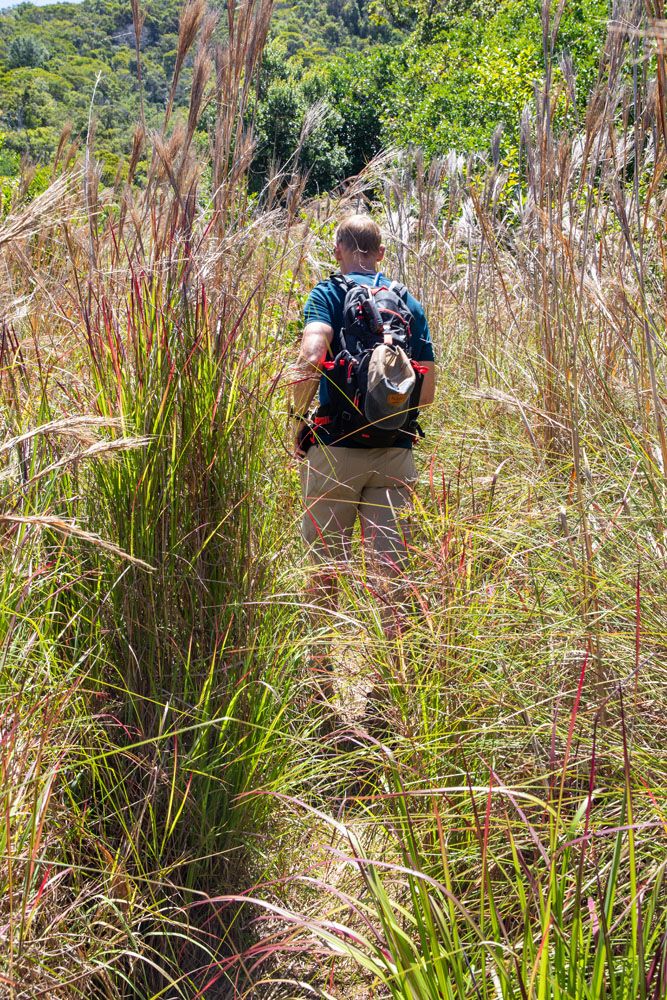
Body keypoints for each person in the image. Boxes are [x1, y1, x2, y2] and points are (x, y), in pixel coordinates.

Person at [289, 213, 436, 683]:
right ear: (381, 254)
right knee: (389, 576)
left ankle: (319, 682)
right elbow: (427, 391)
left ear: (337, 251)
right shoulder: (407, 301)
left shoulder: (328, 293)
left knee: (324, 571)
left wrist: (298, 417)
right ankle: (390, 689)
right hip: (395, 451)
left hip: (335, 451)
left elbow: (312, 356)